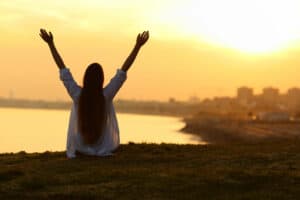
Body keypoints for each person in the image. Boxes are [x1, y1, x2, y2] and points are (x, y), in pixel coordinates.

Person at [39, 28, 149, 158]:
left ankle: (86, 151)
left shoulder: (77, 94)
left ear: (86, 78)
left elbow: (62, 69)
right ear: (101, 79)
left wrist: (51, 44)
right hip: (102, 146)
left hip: (81, 146)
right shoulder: (106, 95)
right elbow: (123, 70)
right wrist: (137, 46)